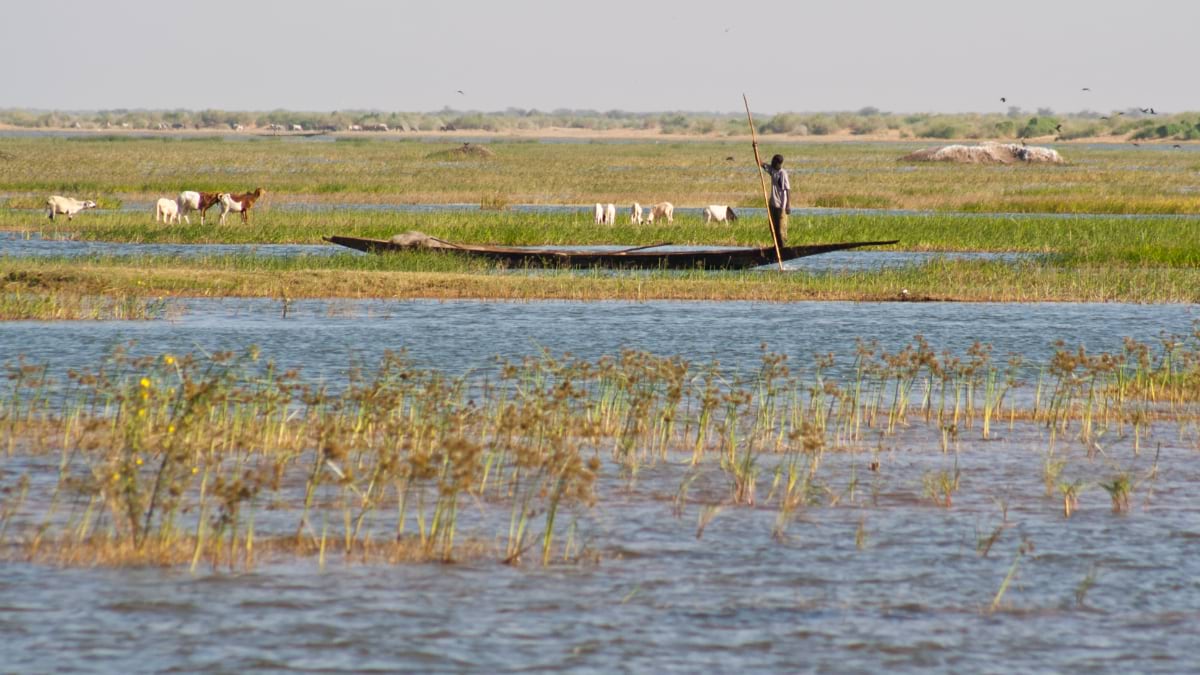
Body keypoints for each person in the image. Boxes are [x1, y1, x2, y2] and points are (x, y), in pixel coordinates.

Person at [760, 153, 790, 245]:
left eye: (773, 161)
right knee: (773, 228)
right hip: (772, 204)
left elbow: (787, 189)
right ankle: (776, 247)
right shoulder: (772, 170)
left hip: (781, 206)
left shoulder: (782, 174)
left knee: (780, 230)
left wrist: (788, 205)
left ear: (778, 163)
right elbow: (760, 163)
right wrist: (755, 147)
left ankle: (782, 248)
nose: (771, 163)